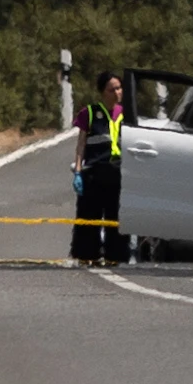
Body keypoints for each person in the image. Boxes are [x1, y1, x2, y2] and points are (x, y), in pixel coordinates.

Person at [70, 72, 131, 264]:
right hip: (94, 174)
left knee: (116, 218)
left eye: (119, 88)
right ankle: (87, 256)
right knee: (89, 218)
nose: (116, 92)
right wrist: (78, 171)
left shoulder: (127, 114)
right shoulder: (89, 113)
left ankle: (116, 256)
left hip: (119, 174)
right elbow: (81, 145)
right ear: (102, 92)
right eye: (111, 89)